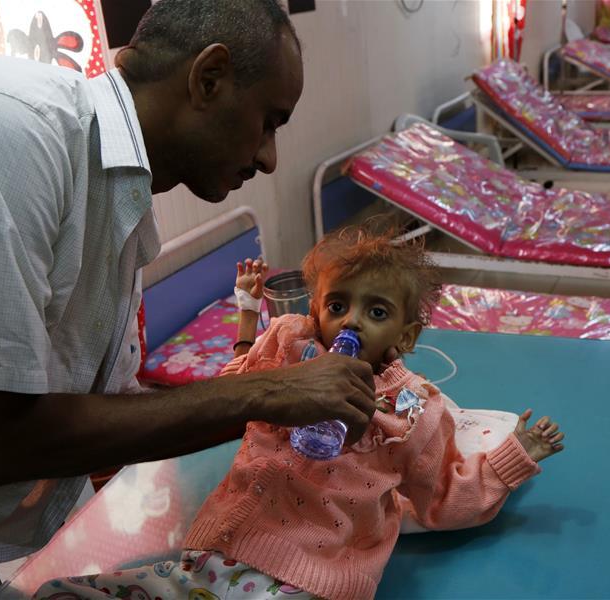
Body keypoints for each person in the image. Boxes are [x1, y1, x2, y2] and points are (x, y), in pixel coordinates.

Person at [0, 1, 378, 597]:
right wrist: (270, 392)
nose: (269, 157)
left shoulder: (114, 191)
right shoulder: (3, 130)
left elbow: (83, 406)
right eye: (269, 122)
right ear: (208, 78)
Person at [34, 226, 565, 600]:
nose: (350, 320)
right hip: (215, 552)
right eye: (338, 305)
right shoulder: (289, 345)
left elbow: (443, 496)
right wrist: (250, 316)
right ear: (315, 309)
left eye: (376, 312)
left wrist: (513, 456)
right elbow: (230, 396)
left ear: (405, 335)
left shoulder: (414, 407)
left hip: (314, 575)